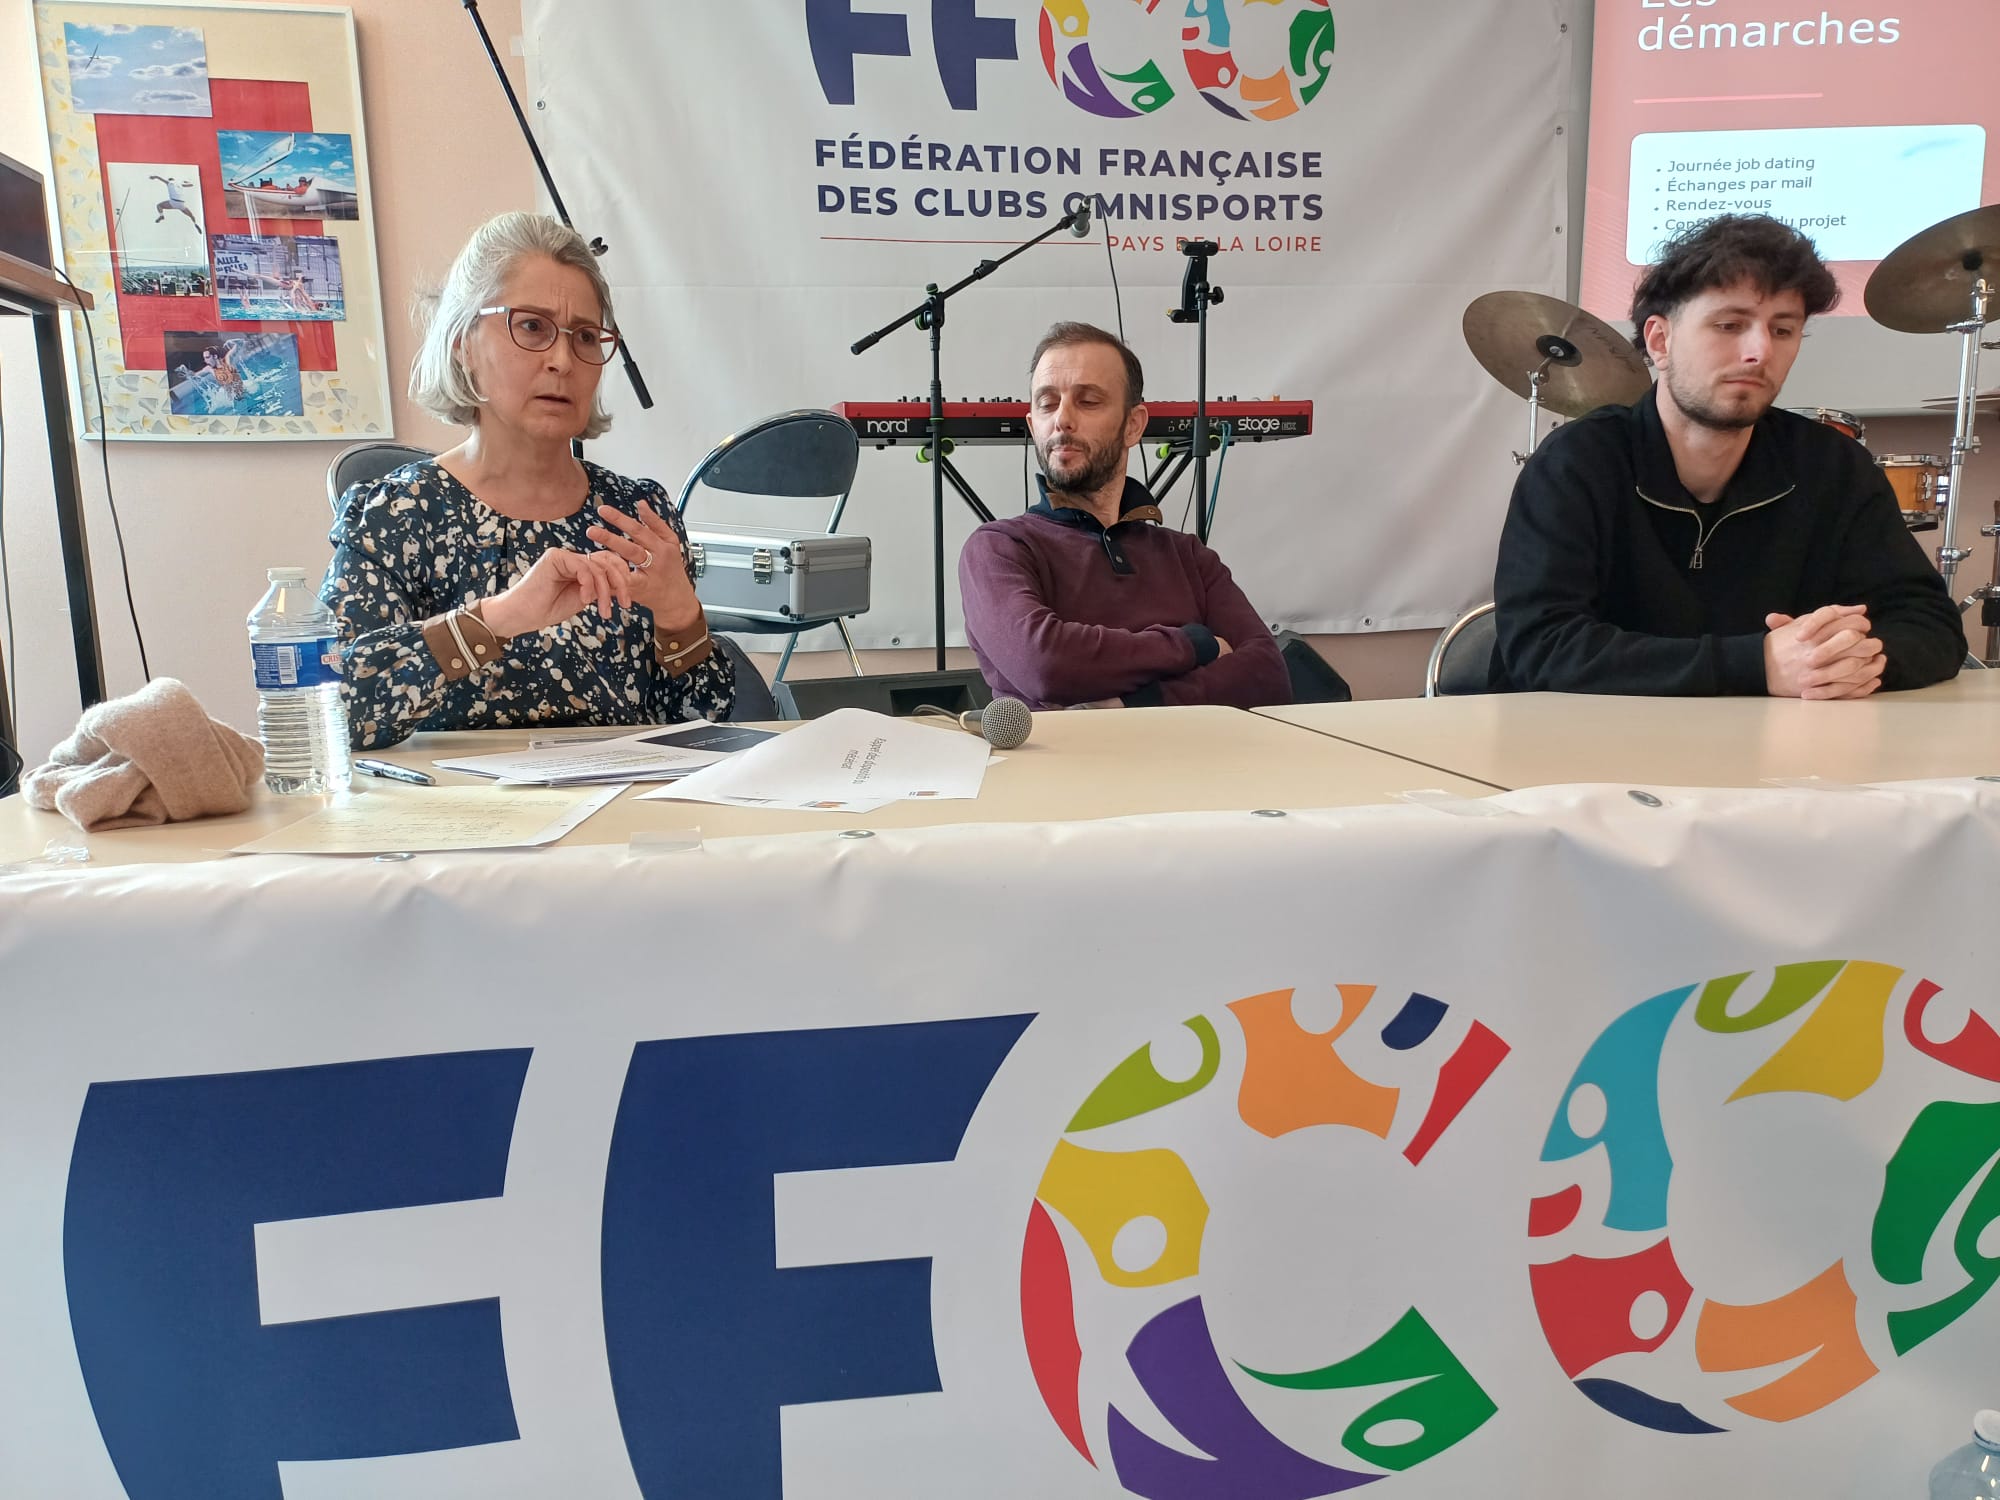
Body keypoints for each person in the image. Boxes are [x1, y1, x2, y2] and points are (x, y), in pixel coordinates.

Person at [1491, 214, 1963, 698]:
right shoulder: (1578, 462)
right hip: (1591, 740)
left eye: (1783, 330)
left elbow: (1930, 623)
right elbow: (1540, 647)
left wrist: (1850, 660)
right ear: (1660, 341)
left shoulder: (1832, 467)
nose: (1760, 351)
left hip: (1778, 744)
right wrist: (1757, 663)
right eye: (1729, 325)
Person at [322, 211, 733, 749]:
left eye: (585, 336)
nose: (563, 360)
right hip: (454, 802)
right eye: (533, 326)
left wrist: (681, 618)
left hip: (622, 797)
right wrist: (495, 620)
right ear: (464, 343)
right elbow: (337, 711)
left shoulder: (635, 516)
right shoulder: (397, 514)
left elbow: (704, 726)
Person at [958, 322, 1290, 709]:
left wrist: (1132, 705)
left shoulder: (1188, 556)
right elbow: (1045, 664)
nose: (1062, 419)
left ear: (1133, 425)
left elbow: (1268, 675)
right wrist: (1193, 643)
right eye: (1047, 404)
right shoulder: (999, 549)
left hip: (1195, 750)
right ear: (1033, 426)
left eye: (1088, 401)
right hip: (1065, 753)